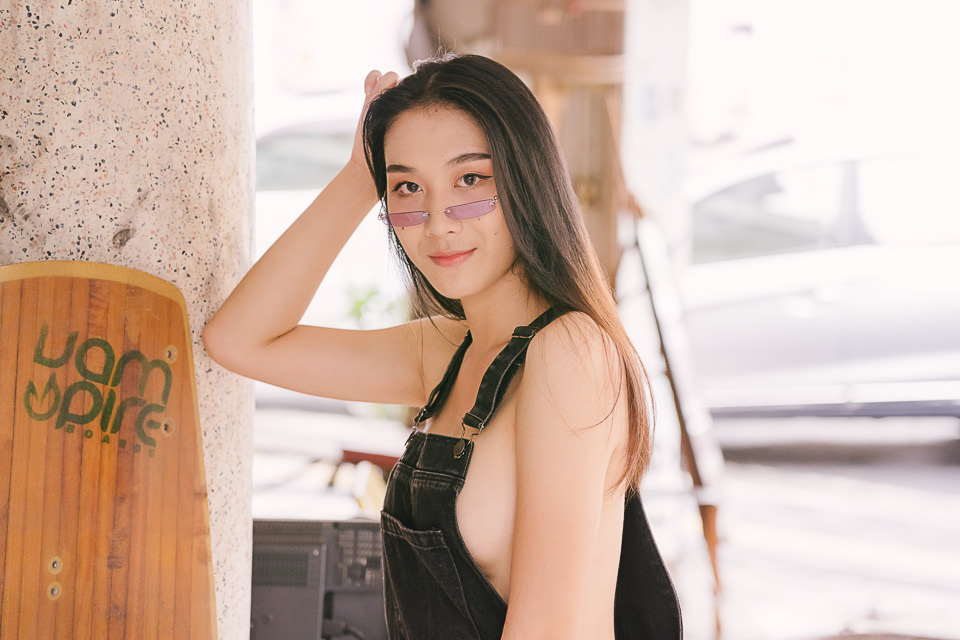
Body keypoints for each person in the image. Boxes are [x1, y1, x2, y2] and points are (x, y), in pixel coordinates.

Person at [203, 53, 682, 640]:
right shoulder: (445, 352)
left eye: (470, 180)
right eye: (407, 187)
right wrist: (359, 176)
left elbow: (544, 629)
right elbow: (239, 340)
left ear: (526, 180)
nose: (438, 222)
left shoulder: (570, 352)